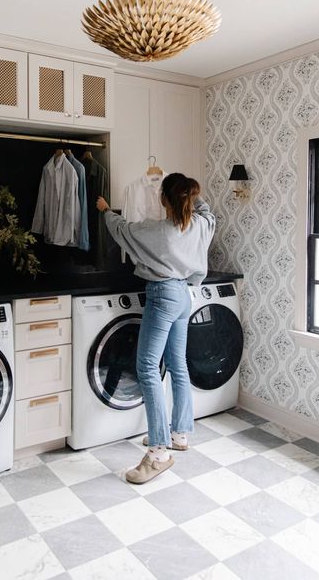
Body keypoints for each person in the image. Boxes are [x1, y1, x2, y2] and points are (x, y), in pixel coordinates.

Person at [96, 173, 216, 484]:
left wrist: (105, 210)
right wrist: (192, 194)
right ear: (188, 198)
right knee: (177, 365)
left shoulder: (158, 231)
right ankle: (180, 434)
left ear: (163, 198)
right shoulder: (199, 224)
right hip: (184, 296)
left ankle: (159, 452)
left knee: (147, 367)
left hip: (163, 295)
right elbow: (208, 212)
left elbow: (122, 231)